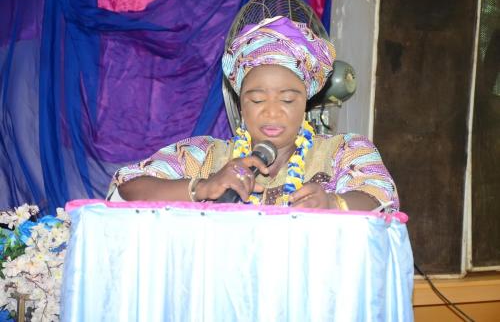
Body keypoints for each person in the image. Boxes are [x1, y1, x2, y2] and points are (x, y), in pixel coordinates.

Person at [107, 16, 399, 212]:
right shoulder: (203, 155)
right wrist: (202, 187)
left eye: (287, 99)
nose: (272, 112)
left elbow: (380, 196)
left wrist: (335, 203)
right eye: (257, 99)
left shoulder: (345, 151)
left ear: (306, 101)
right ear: (240, 102)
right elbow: (129, 186)